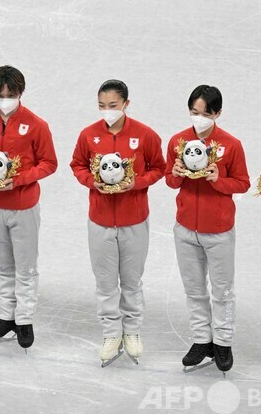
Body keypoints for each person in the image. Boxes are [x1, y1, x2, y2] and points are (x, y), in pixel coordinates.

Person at [70, 78, 165, 365]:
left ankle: (132, 330)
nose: (107, 111)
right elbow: (77, 165)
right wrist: (91, 182)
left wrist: (137, 183)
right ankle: (111, 333)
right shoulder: (88, 135)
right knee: (105, 282)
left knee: (132, 280)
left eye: (113, 105)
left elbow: (158, 168)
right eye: (102, 106)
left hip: (134, 220)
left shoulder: (145, 135)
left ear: (126, 103)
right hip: (100, 221)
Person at [0, 65, 57, 350]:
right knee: (4, 266)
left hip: (23, 208)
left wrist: (18, 181)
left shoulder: (36, 124)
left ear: (20, 93)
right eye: (0, 95)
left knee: (25, 268)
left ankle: (24, 320)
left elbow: (49, 163)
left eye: (11, 95)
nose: (5, 100)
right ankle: (7, 317)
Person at [165, 84, 249, 374]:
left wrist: (218, 179)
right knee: (194, 289)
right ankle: (202, 340)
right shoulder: (177, 141)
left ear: (217, 113)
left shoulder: (231, 144)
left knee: (222, 290)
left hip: (219, 230)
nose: (198, 118)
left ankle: (223, 342)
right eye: (193, 112)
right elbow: (169, 179)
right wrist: (175, 174)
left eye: (205, 113)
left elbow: (243, 183)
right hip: (186, 228)